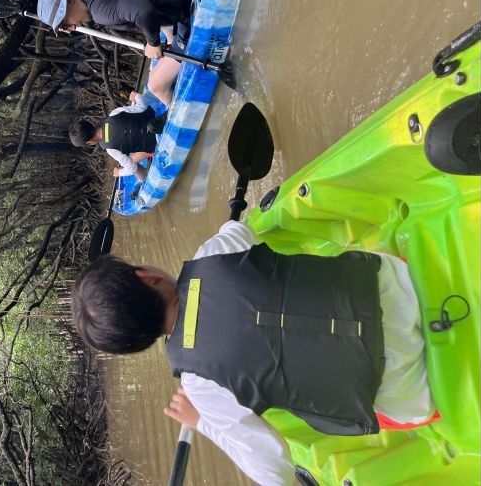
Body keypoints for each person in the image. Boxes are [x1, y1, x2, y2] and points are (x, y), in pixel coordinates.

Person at [71, 221, 436, 486]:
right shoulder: (213, 253)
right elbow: (239, 228)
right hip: (397, 284)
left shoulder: (200, 386)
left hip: (412, 386)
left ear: (138, 343)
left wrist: (202, 421)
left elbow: (274, 472)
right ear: (146, 276)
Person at [37, 0, 205, 107]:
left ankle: (180, 112)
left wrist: (153, 43)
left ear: (69, 2)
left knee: (155, 85)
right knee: (166, 33)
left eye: (65, 23)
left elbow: (144, 11)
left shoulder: (99, 10)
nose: (71, 29)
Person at [69, 91, 164, 182]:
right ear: (89, 124)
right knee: (131, 157)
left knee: (132, 163)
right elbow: (142, 106)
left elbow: (131, 169)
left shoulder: (111, 149)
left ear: (88, 142)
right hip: (158, 119)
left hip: (159, 142)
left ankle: (146, 180)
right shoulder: (114, 114)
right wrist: (136, 96)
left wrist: (119, 172)